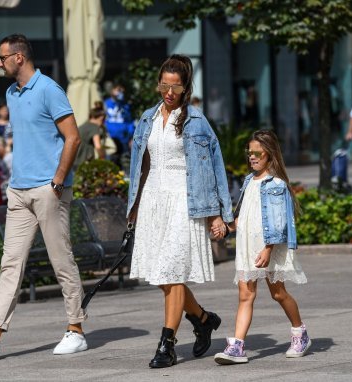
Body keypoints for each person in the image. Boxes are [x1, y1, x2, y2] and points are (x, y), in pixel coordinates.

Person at [0, 34, 87, 359]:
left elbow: (73, 138)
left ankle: (76, 329)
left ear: (19, 58)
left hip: (47, 190)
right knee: (10, 263)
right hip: (18, 191)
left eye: (2, 57)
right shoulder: (11, 93)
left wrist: (57, 181)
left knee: (61, 260)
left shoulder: (49, 89)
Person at [127, 54, 234, 368]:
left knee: (172, 273)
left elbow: (215, 166)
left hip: (184, 200)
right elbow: (140, 165)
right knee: (162, 276)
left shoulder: (196, 119)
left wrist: (218, 213)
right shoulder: (148, 117)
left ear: (186, 87)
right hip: (152, 200)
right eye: (164, 85)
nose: (169, 92)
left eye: (175, 87)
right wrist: (133, 205)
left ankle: (166, 344)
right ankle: (202, 318)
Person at [213, 130, 310, 365]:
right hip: (247, 246)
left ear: (270, 154)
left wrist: (268, 249)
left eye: (258, 152)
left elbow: (278, 223)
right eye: (250, 152)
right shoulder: (248, 181)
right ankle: (237, 346)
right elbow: (244, 218)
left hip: (268, 247)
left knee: (278, 293)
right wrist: (227, 228)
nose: (252, 157)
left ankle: (300, 333)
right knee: (246, 295)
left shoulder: (275, 185)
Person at [104, 83, 133, 160]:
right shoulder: (106, 104)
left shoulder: (125, 105)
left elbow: (129, 121)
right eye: (118, 90)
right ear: (111, 91)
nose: (121, 93)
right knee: (111, 161)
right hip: (110, 138)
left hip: (123, 139)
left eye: (122, 91)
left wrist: (131, 137)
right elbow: (102, 120)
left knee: (124, 162)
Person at [74, 102, 107, 168]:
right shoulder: (94, 127)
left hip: (75, 158)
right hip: (83, 160)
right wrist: (103, 159)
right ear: (101, 118)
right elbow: (98, 146)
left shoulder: (84, 125)